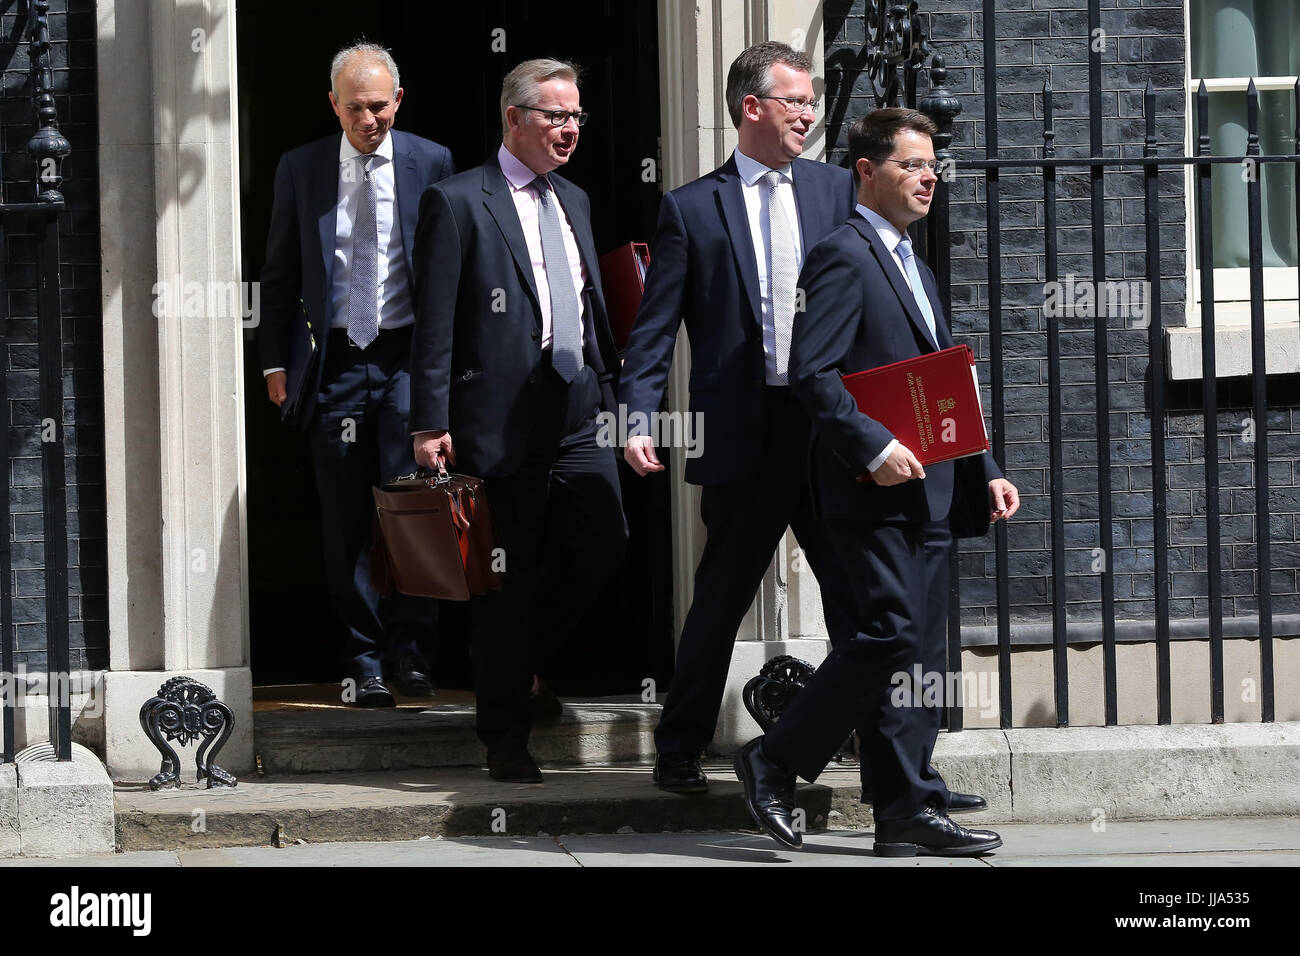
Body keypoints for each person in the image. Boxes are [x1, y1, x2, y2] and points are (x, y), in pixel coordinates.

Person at [734, 108, 1020, 857]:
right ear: (866, 171)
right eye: (911, 165)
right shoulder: (844, 255)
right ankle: (776, 757)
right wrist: (872, 445)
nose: (929, 177)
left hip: (930, 487)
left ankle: (904, 808)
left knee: (920, 652)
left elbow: (942, 383)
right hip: (869, 491)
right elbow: (814, 375)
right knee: (888, 634)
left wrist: (983, 467)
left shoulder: (912, 264)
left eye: (933, 166)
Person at [618, 41, 856, 793]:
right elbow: (655, 329)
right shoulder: (691, 208)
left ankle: (879, 756)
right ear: (751, 107)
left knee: (860, 607)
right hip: (746, 436)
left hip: (830, 430)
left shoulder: (839, 191)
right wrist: (634, 417)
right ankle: (680, 747)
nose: (810, 113)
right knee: (718, 603)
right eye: (795, 101)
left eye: (811, 101)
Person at [408, 59, 627, 783]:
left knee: (602, 541)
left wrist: (618, 398)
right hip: (498, 417)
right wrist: (429, 420)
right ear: (513, 119)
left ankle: (524, 665)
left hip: (577, 408)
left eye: (575, 118)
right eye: (554, 116)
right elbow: (434, 321)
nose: (569, 130)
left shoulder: (578, 200)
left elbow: (590, 306)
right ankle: (504, 736)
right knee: (503, 578)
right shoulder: (458, 201)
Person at [259, 42, 453, 707]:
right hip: (335, 361)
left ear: (398, 101)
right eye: (355, 109)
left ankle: (414, 653)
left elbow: (450, 274)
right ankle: (364, 661)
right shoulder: (303, 168)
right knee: (345, 518)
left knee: (416, 507)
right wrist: (274, 358)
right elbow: (281, 268)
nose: (369, 120)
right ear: (334, 106)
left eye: (380, 107)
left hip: (406, 360)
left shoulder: (432, 163)